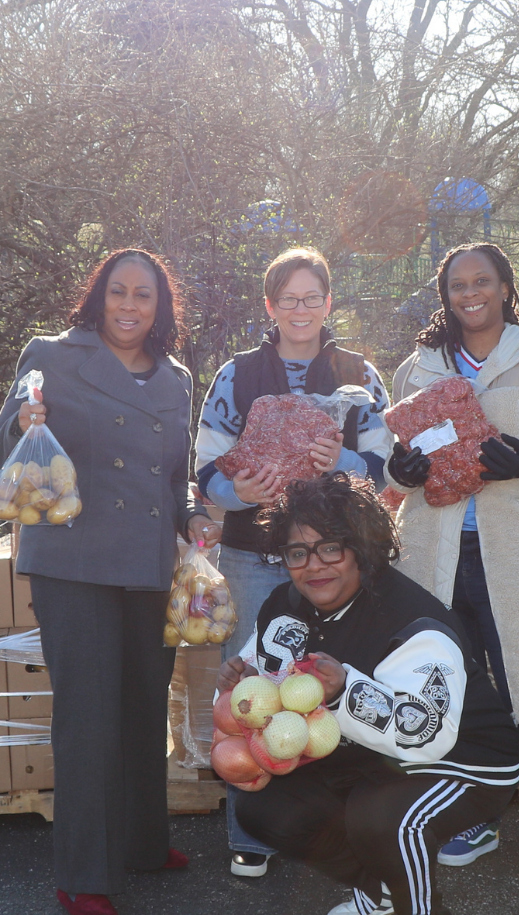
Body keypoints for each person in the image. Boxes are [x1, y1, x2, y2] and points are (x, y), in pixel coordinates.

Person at [0, 249, 216, 915]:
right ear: (98, 295)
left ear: (160, 307)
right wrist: (27, 429)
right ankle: (83, 874)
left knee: (144, 707)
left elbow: (175, 476)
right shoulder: (50, 356)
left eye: (145, 295)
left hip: (147, 564)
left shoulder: (176, 378)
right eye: (120, 291)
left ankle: (144, 842)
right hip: (74, 562)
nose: (131, 306)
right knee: (88, 717)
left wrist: (194, 513)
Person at [222, 473, 519, 915]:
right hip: (369, 756)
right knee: (262, 805)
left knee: (381, 812)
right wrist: (242, 687)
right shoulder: (283, 607)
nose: (313, 565)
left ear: (362, 549)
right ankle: (383, 884)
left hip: (466, 761)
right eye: (297, 552)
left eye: (330, 548)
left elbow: (427, 733)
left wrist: (343, 691)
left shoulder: (413, 620)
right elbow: (261, 687)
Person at [384, 242, 519, 890]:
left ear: (505, 286)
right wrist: (403, 470)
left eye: (482, 281)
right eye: (457, 285)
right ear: (445, 296)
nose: (470, 294)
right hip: (438, 555)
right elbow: (396, 460)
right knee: (463, 696)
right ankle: (480, 814)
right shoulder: (415, 369)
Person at [195, 246, 390, 877]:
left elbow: (386, 470)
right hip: (254, 555)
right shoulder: (237, 375)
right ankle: (250, 832)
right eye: (288, 299)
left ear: (329, 302)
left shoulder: (359, 372)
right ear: (270, 306)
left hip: (339, 561)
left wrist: (341, 462)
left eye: (312, 298)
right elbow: (204, 472)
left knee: (329, 687)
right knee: (251, 689)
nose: (300, 310)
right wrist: (237, 493)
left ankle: (335, 832)